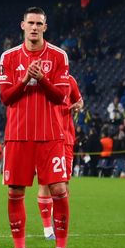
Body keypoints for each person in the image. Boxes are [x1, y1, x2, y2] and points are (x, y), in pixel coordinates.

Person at [0, 7, 73, 248]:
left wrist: (41, 79)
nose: (34, 27)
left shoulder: (59, 56)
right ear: (22, 25)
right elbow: (6, 97)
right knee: (15, 191)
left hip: (50, 134)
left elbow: (60, 97)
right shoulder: (9, 57)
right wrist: (26, 78)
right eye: (30, 23)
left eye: (39, 23)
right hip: (18, 135)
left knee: (60, 190)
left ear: (45, 27)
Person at [38, 74, 82, 239]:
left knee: (63, 183)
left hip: (67, 138)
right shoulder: (40, 79)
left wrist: (78, 105)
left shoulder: (70, 80)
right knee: (45, 182)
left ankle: (59, 223)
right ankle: (48, 229)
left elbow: (79, 101)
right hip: (46, 137)